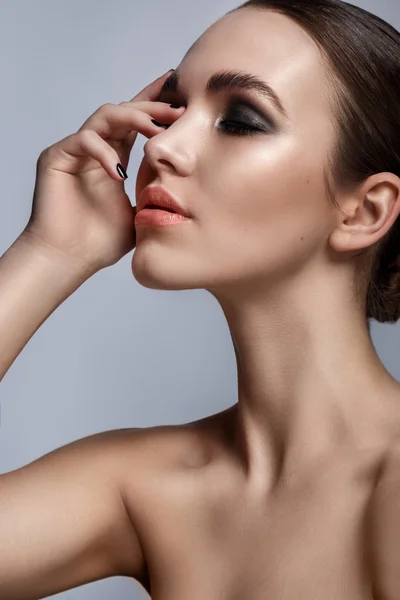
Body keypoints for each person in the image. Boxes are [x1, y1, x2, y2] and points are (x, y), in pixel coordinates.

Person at [1, 0, 400, 597]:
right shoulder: (148, 487)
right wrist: (51, 253)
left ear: (365, 211)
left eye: (241, 119)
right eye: (173, 110)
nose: (162, 147)